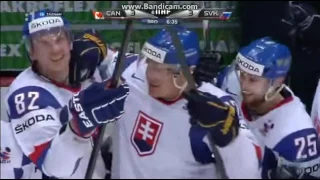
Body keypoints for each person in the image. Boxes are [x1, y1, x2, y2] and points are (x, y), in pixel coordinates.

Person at [102, 26, 262, 179]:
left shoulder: (215, 107)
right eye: (151, 64)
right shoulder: (131, 73)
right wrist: (95, 49)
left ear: (189, 70)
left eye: (165, 69)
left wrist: (231, 140)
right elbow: (105, 55)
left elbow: (249, 172)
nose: (152, 76)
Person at [3, 9, 128, 179]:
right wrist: (77, 127)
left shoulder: (87, 64)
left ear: (71, 43)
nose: (55, 50)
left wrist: (104, 53)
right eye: (43, 43)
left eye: (59, 39)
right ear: (31, 52)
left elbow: (134, 70)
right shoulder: (26, 95)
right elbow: (55, 167)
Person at [232, 37, 320, 179]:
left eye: (253, 80)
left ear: (278, 81)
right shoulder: (238, 86)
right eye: (242, 75)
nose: (244, 86)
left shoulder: (297, 135)